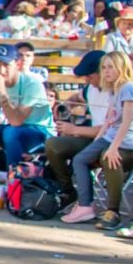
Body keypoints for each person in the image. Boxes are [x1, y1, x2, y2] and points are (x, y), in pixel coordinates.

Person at [58, 52, 133, 229]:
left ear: (121, 67)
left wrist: (114, 147)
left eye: (110, 67)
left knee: (108, 158)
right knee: (80, 159)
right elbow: (109, 120)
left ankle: (112, 211)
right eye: (104, 67)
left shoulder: (129, 89)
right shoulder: (114, 89)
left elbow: (126, 123)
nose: (106, 71)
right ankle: (85, 205)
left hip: (124, 142)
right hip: (108, 137)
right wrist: (98, 141)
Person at [0, 43, 57, 202]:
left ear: (17, 64)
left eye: (6, 65)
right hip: (16, 131)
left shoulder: (32, 84)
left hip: (41, 132)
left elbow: (17, 121)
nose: (1, 70)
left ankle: (13, 183)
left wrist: (2, 92)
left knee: (11, 131)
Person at [45, 50, 109, 206]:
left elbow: (108, 129)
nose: (86, 79)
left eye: (90, 75)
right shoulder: (90, 89)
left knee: (80, 159)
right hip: (91, 139)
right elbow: (76, 97)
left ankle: (89, 204)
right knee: (53, 144)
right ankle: (67, 190)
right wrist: (66, 105)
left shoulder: (116, 92)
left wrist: (74, 130)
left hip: (108, 141)